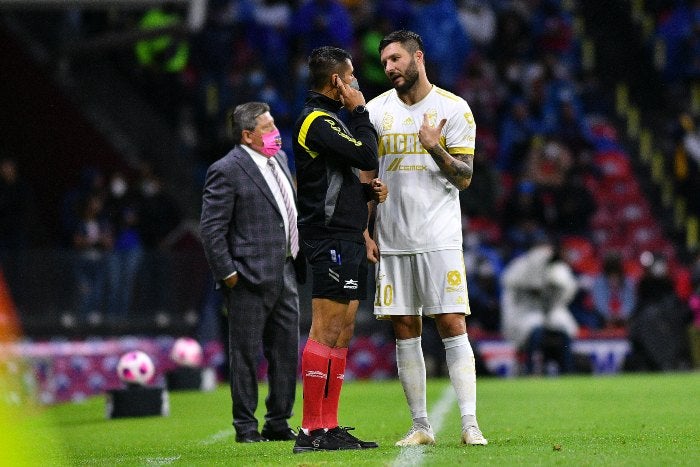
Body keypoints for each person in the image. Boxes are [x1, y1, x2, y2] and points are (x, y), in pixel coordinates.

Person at [365, 30, 487, 447]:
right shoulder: (375, 111)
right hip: (393, 236)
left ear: (418, 57)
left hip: (439, 235)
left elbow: (465, 178)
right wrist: (366, 226)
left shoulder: (454, 109)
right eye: (384, 63)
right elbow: (367, 175)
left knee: (452, 323)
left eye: (396, 59)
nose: (389, 68)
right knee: (404, 327)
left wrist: (436, 148)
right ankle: (420, 425)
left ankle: (470, 424)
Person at [292, 46, 387, 453]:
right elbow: (367, 152)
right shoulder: (316, 121)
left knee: (343, 330)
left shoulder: (330, 121)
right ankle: (311, 431)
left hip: (347, 235)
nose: (356, 85)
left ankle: (329, 426)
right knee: (325, 329)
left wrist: (365, 190)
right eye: (351, 78)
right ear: (337, 81)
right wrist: (361, 110)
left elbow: (336, 176)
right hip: (327, 235)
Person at [200, 101, 305, 443]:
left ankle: (278, 421)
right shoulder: (226, 169)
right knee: (244, 355)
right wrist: (228, 274)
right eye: (268, 127)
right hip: (246, 278)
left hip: (285, 272)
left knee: (287, 353)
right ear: (247, 135)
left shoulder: (280, 160)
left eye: (274, 124)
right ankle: (245, 427)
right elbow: (212, 229)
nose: (276, 132)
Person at [500, 238, 579, 375]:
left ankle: (568, 370)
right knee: (535, 328)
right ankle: (530, 370)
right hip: (525, 312)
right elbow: (509, 283)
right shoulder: (520, 266)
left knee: (564, 329)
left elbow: (567, 291)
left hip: (551, 310)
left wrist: (552, 285)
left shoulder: (557, 268)